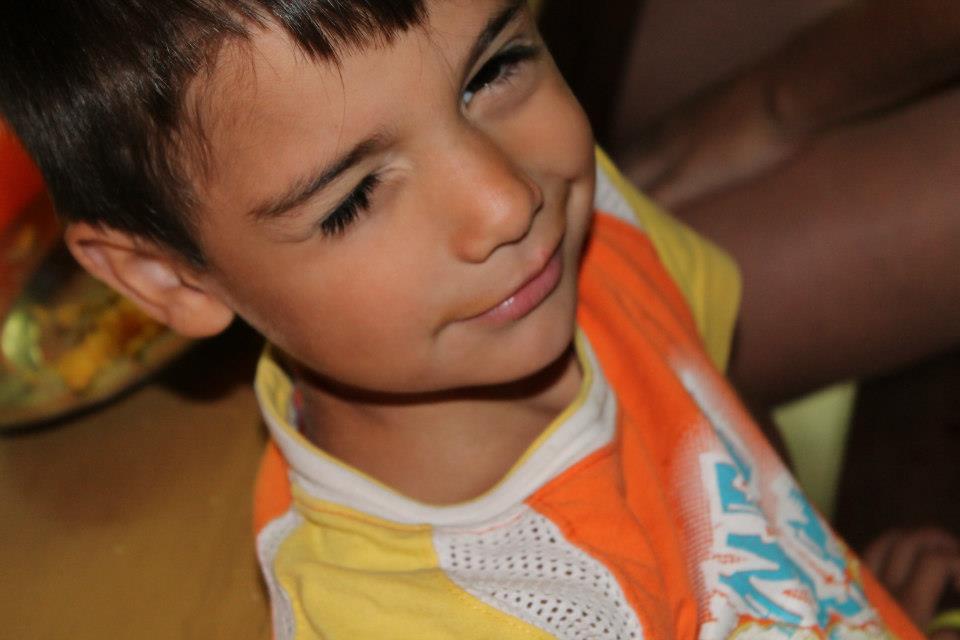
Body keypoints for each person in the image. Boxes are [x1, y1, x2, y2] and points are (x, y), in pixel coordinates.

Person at [0, 0, 926, 637]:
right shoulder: (431, 618)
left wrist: (817, 589)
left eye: (494, 70)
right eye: (355, 198)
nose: (505, 200)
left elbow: (722, 439)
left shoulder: (590, 225)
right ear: (164, 278)